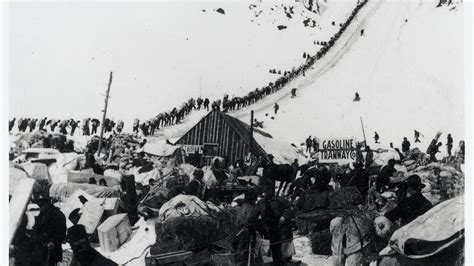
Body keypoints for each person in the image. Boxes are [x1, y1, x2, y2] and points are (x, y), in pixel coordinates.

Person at [257, 186, 294, 266]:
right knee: (266, 251)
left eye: (269, 190)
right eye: (266, 190)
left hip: (278, 228)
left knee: (277, 250)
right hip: (266, 229)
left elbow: (290, 208)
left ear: (272, 191)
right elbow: (256, 212)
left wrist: (284, 217)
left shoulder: (280, 200)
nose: (267, 192)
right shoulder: (261, 202)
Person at [31, 197, 67, 266]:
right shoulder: (41, 214)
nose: (41, 207)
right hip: (41, 248)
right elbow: (37, 228)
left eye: (42, 205)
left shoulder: (58, 214)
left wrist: (54, 242)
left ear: (48, 203)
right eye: (39, 205)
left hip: (52, 249)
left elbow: (62, 232)